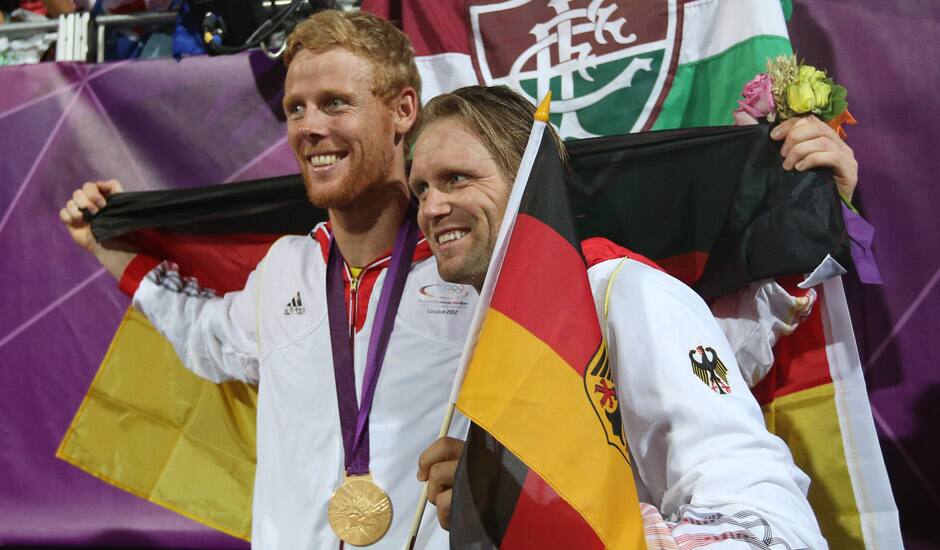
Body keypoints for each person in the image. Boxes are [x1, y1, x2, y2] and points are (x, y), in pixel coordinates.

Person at [59, 9, 474, 550]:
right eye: (295, 108)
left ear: (402, 110)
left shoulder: (470, 273)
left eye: (334, 103)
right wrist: (107, 247)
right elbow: (204, 337)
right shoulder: (284, 267)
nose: (309, 126)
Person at [409, 85, 829, 547]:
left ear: (531, 184)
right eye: (421, 189)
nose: (431, 208)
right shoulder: (497, 327)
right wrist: (501, 500)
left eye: (457, 179)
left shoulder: (620, 290)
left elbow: (747, 487)